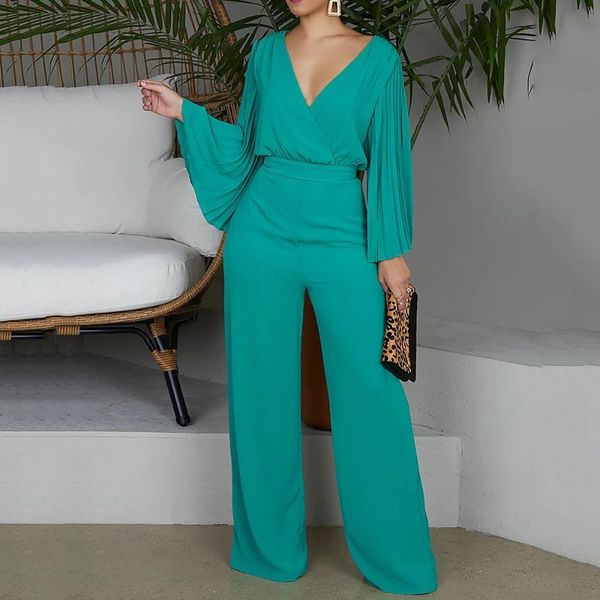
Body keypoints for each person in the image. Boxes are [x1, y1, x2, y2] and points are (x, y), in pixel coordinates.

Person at [136, 0, 438, 594]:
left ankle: (398, 560)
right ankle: (269, 553)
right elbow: (247, 147)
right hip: (261, 232)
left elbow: (388, 160)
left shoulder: (377, 59)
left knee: (371, 392)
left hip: (343, 233)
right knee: (259, 392)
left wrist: (392, 253)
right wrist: (186, 113)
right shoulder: (267, 53)